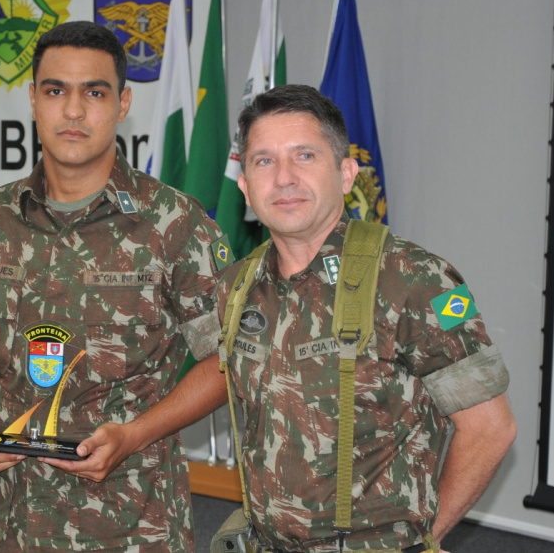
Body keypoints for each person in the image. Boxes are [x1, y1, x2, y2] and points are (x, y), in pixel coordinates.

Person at [0, 21, 230, 551]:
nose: (73, 111)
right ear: (32, 100)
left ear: (122, 103)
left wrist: (133, 435)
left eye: (94, 92)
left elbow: (226, 362)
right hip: (2, 519)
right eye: (55, 91)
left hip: (129, 520)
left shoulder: (174, 224)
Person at [214, 84, 517, 552]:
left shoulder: (414, 279)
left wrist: (423, 542)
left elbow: (490, 429)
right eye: (264, 161)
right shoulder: (237, 287)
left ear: (348, 173)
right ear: (245, 187)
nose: (284, 178)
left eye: (305, 156)